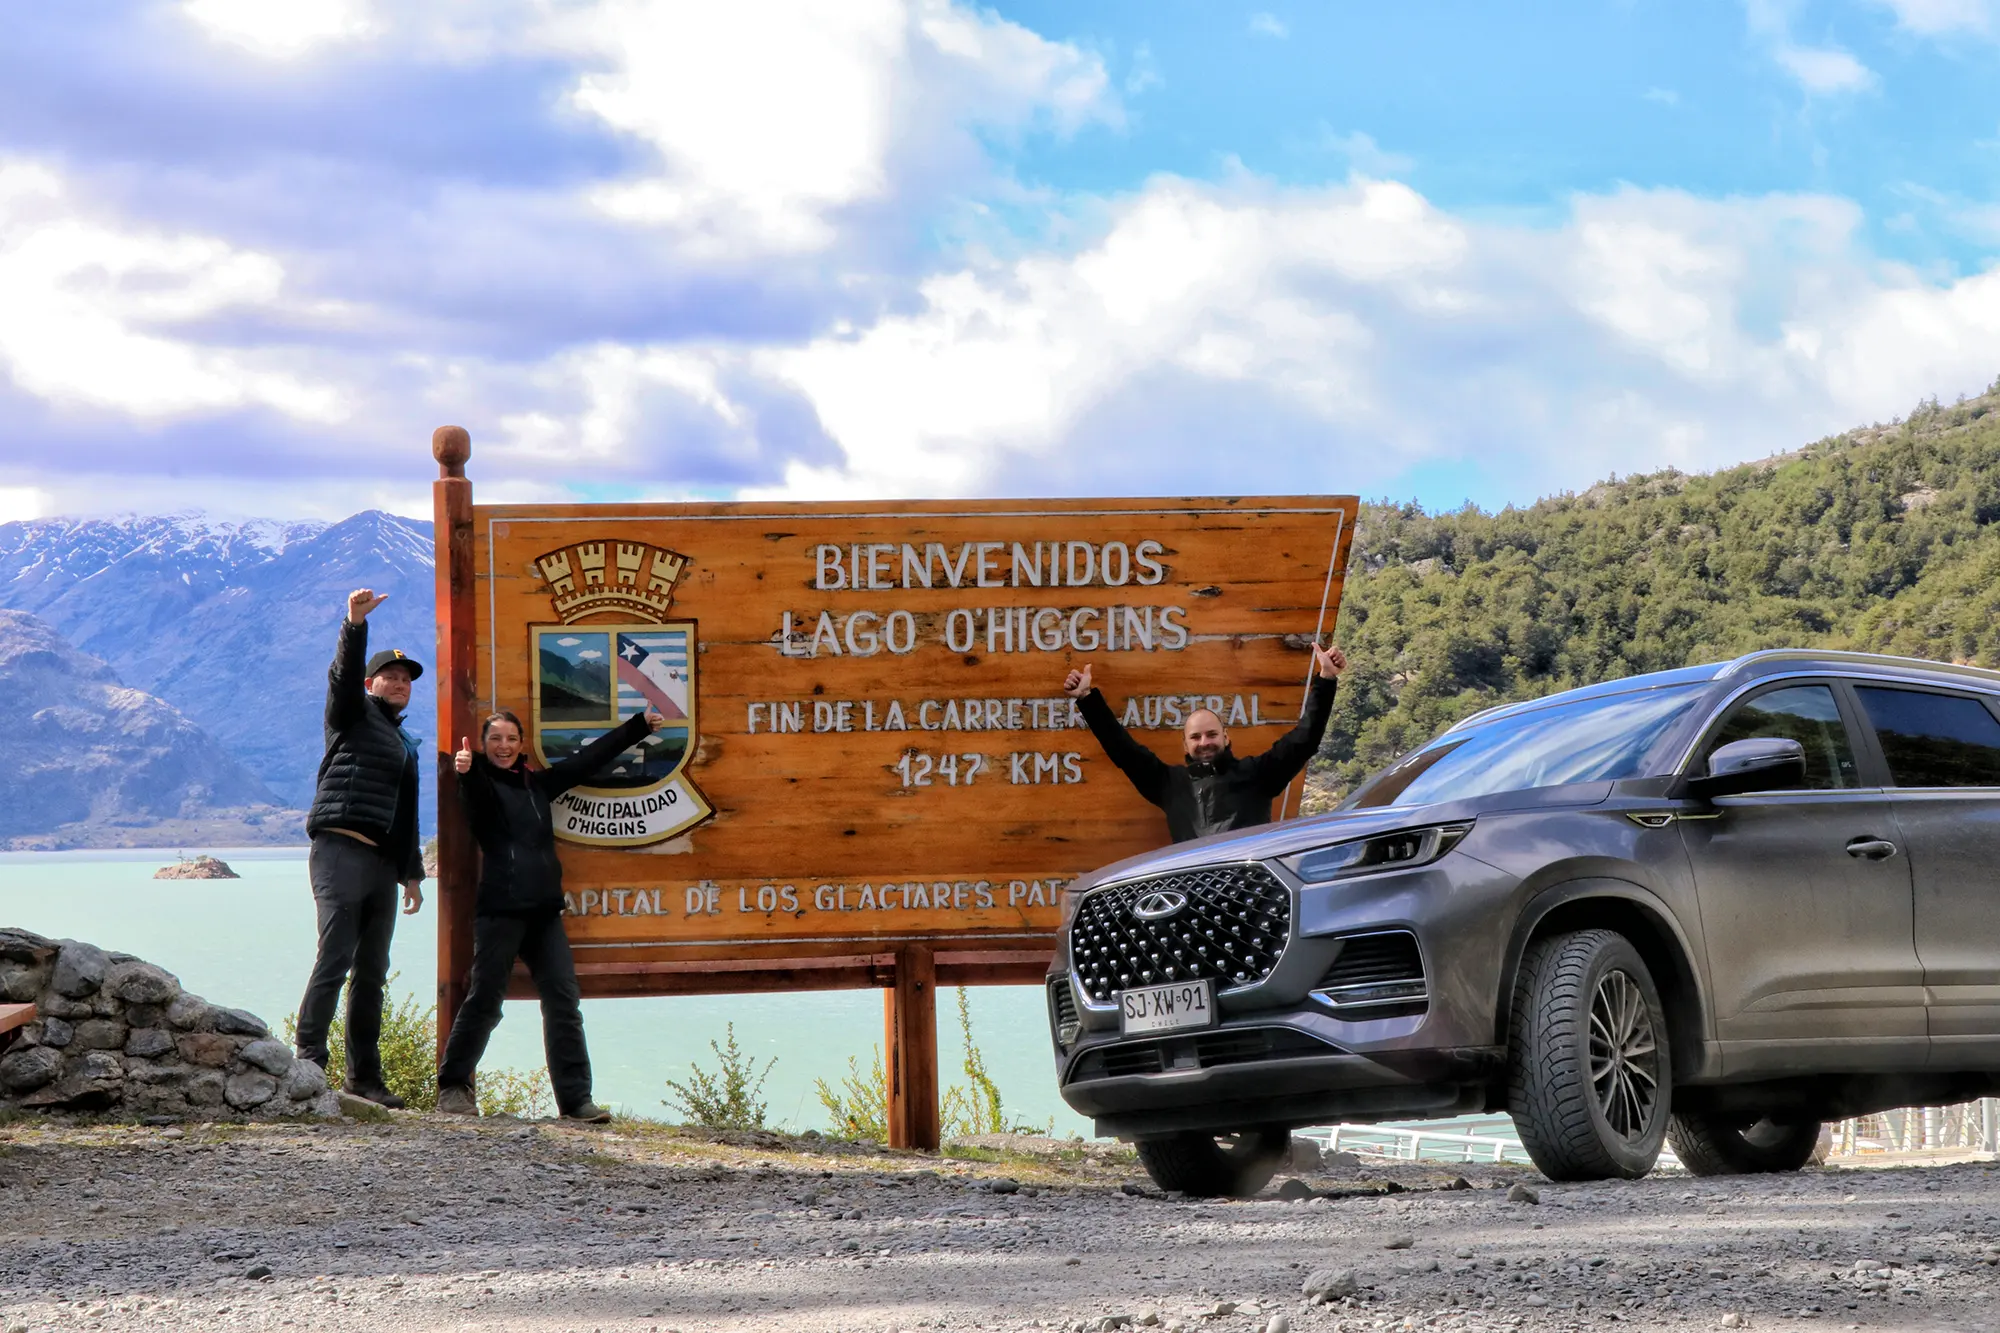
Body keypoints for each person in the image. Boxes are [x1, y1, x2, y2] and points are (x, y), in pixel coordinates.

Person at [435, 706, 667, 1123]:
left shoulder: (537, 785)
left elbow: (587, 760)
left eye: (510, 739)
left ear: (521, 745)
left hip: (544, 914)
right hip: (500, 911)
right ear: (484, 747)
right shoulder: (481, 784)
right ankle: (453, 1087)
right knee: (486, 1000)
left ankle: (576, 1102)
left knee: (564, 1002)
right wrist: (467, 772)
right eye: (494, 740)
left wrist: (638, 726)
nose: (503, 746)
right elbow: (476, 804)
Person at [295, 588, 426, 1108]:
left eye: (407, 680)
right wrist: (354, 624)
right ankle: (308, 1065)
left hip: (381, 863)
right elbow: (341, 678)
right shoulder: (351, 713)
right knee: (335, 958)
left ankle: (365, 1079)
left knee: (372, 969)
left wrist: (411, 873)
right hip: (339, 851)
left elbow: (407, 815)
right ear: (372, 684)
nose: (399, 683)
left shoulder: (403, 744)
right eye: (390, 677)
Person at [1063, 642, 1347, 843]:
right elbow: (1123, 750)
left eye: (1211, 734)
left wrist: (1326, 678)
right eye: (1195, 737)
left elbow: (1304, 740)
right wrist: (1087, 699)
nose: (1204, 742)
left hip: (1247, 895)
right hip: (1191, 897)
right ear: (1185, 746)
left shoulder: (1258, 774)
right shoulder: (1169, 784)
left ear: (1226, 737)